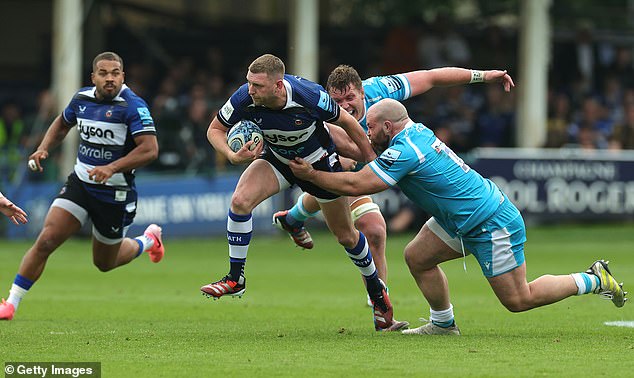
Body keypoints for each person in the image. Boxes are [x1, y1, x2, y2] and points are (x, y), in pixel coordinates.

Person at [289, 98, 627, 336]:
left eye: (371, 128)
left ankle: (595, 279)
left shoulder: (406, 149)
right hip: (460, 220)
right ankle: (443, 324)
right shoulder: (414, 132)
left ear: (388, 127)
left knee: (518, 299)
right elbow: (365, 164)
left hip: (490, 221)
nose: (367, 134)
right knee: (417, 257)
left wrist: (313, 175)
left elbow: (358, 183)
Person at [273, 64, 514, 306]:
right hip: (338, 167)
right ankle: (380, 302)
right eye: (338, 101)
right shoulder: (322, 111)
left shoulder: (380, 90)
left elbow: (430, 77)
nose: (344, 106)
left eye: (350, 98)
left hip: (372, 167)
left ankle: (293, 217)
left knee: (378, 228)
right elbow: (346, 174)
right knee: (374, 228)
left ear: (362, 93)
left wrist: (483, 76)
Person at [199, 54, 407, 331]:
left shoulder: (309, 96)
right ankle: (236, 279)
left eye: (258, 86)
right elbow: (215, 129)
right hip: (278, 160)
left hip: (319, 163)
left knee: (346, 236)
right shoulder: (243, 98)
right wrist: (231, 155)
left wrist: (371, 163)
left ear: (278, 85)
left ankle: (377, 293)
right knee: (240, 201)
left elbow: (346, 122)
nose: (251, 90)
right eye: (249, 83)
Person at [0, 52, 165, 321]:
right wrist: (43, 148)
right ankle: (11, 304)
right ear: (93, 77)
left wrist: (111, 168)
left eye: (115, 73)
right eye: (103, 73)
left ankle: (148, 241)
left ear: (123, 76)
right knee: (46, 240)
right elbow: (62, 123)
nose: (109, 78)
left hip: (114, 193)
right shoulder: (82, 99)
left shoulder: (133, 106)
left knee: (104, 263)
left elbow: (150, 150)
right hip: (81, 184)